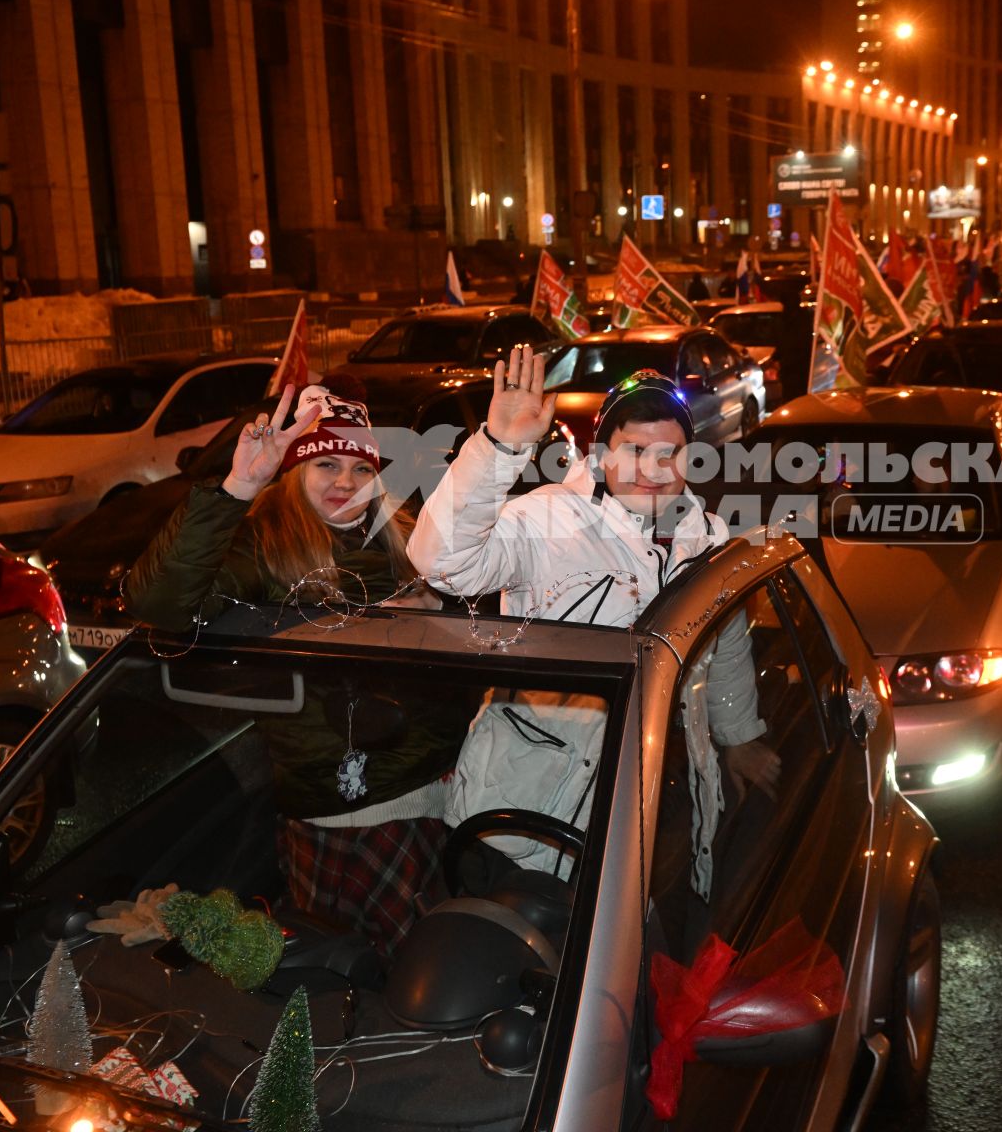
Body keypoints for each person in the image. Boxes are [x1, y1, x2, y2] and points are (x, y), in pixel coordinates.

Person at [126, 379, 464, 957]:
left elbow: (489, 627)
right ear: (293, 472)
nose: (344, 483)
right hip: (321, 815)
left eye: (360, 469)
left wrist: (441, 607)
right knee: (326, 976)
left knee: (414, 974)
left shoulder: (409, 540)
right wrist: (238, 486)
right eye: (325, 464)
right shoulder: (263, 544)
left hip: (424, 806)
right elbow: (159, 605)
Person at [409, 351, 780, 874]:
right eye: (634, 449)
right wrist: (500, 447)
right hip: (524, 818)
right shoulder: (547, 518)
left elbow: (729, 644)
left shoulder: (710, 541)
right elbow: (442, 564)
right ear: (601, 453)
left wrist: (738, 736)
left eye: (669, 452)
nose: (653, 469)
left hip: (646, 809)